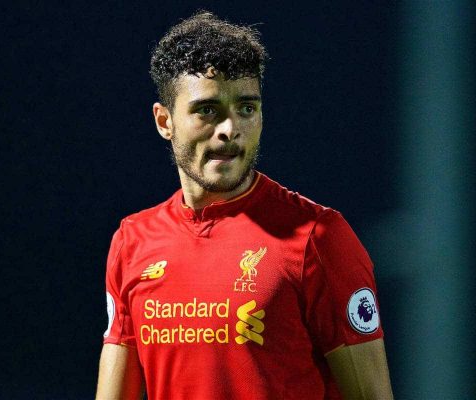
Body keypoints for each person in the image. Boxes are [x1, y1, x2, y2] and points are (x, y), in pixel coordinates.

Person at [96, 11, 393, 400]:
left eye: (246, 109)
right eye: (208, 111)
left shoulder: (318, 238)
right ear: (164, 121)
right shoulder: (133, 240)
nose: (230, 129)